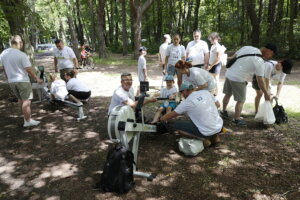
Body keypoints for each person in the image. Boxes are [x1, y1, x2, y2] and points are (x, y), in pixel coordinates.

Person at [221, 44, 276, 126]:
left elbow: (234, 57)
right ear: (269, 50)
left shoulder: (248, 47)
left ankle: (223, 111)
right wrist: (265, 92)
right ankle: (236, 119)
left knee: (228, 94)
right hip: (238, 79)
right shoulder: (259, 61)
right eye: (271, 54)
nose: (270, 57)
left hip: (229, 74)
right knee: (241, 100)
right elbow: (260, 80)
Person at [160, 81, 223, 147]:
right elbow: (218, 105)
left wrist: (161, 118)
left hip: (205, 131)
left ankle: (201, 139)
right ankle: (215, 137)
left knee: (172, 124)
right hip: (219, 126)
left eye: (181, 92)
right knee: (202, 121)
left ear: (185, 91)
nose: (182, 95)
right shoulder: (206, 92)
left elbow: (169, 116)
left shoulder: (186, 102)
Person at [0, 35, 43, 127]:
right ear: (20, 43)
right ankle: (27, 121)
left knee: (20, 99)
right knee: (26, 101)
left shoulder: (3, 53)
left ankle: (25, 117)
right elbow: (28, 69)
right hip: (22, 81)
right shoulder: (21, 54)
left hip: (12, 81)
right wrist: (37, 78)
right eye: (22, 43)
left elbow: (2, 68)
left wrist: (8, 78)